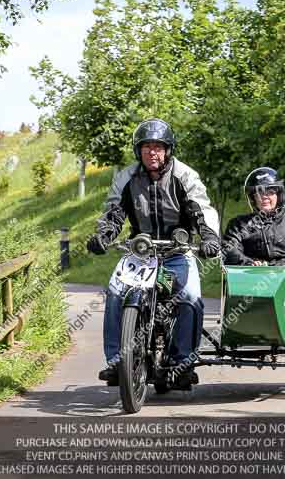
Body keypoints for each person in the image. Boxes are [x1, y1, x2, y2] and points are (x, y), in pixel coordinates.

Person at [86, 118, 221, 387]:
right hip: (141, 252)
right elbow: (114, 213)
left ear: (168, 150)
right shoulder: (126, 176)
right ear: (139, 151)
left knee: (190, 297)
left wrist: (209, 237)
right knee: (114, 291)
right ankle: (115, 361)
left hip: (177, 251)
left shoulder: (185, 175)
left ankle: (182, 363)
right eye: (146, 147)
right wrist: (102, 235)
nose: (152, 152)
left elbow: (201, 209)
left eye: (158, 147)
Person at [222, 167, 285, 268]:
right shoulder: (239, 224)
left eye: (270, 192)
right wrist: (249, 264)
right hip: (250, 277)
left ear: (279, 196)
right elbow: (230, 249)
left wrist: (276, 267)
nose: (264, 196)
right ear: (253, 198)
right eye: (259, 192)